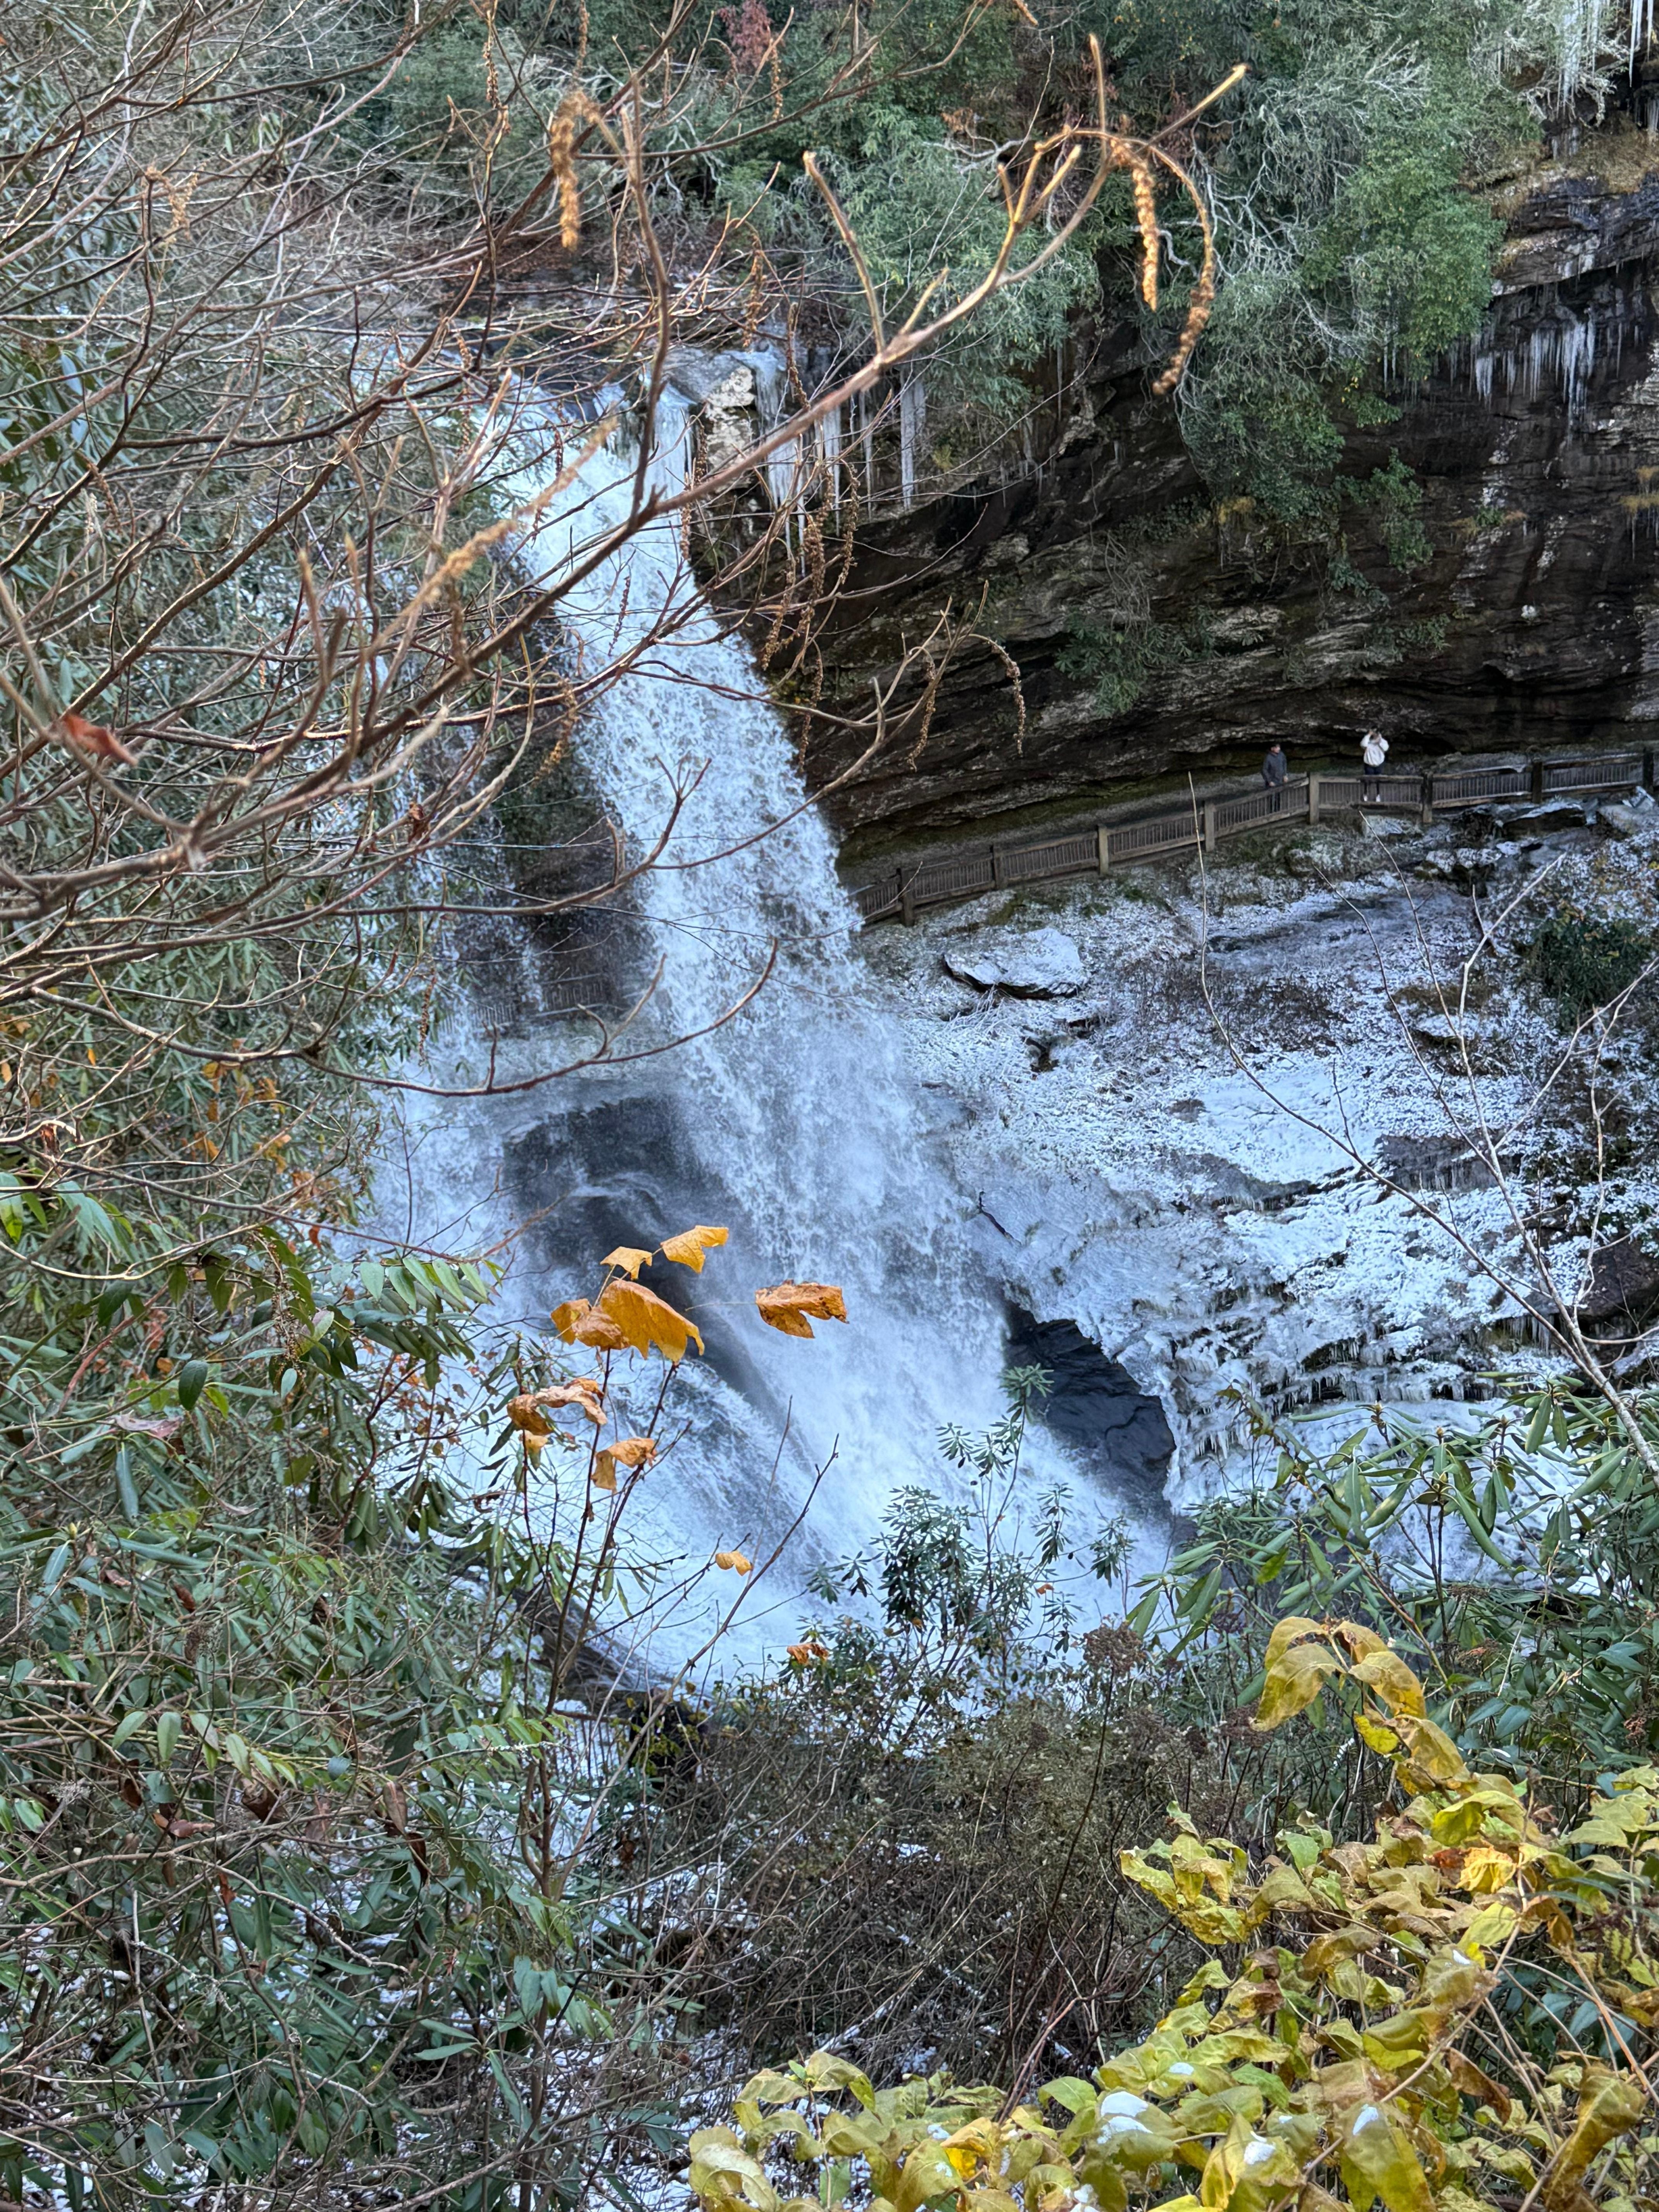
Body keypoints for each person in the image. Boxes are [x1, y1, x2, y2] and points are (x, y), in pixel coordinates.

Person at [1362, 727, 1389, 800]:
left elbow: (1386, 748)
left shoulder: (1383, 742)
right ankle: (1366, 794)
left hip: (1379, 764)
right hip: (1369, 764)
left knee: (1378, 781)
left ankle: (1378, 795)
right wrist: (1369, 735)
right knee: (1367, 780)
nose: (1375, 734)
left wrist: (1380, 739)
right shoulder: (1368, 742)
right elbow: (1363, 745)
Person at [1261, 740, 1287, 811]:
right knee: (1271, 797)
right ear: (1272, 749)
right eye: (1277, 747)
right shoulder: (1268, 758)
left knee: (1278, 797)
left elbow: (1284, 763)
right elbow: (1265, 770)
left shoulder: (1281, 755)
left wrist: (1285, 775)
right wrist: (1269, 781)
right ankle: (1271, 812)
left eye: (1279, 747)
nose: (1279, 749)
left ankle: (1278, 811)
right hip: (1272, 781)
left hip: (1279, 779)